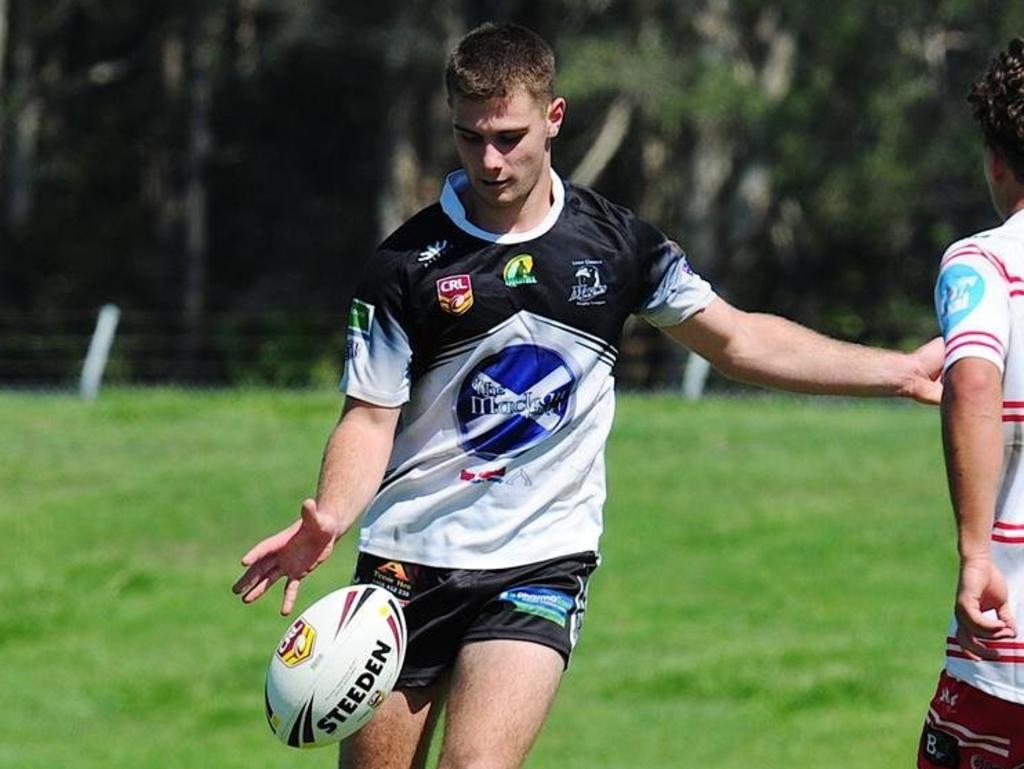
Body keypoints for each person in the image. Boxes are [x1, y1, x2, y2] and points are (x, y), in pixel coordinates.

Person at [233, 22, 942, 769]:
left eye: (508, 135)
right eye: (469, 138)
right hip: (408, 561)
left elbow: (737, 340)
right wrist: (334, 515)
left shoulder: (616, 245)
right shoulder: (406, 265)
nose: (489, 158)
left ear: (555, 117)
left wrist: (894, 372)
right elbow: (369, 416)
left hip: (542, 558)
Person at [918, 38, 1024, 769]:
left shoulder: (984, 262)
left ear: (996, 158)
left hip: (1009, 649)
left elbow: (978, 381)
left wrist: (973, 551)